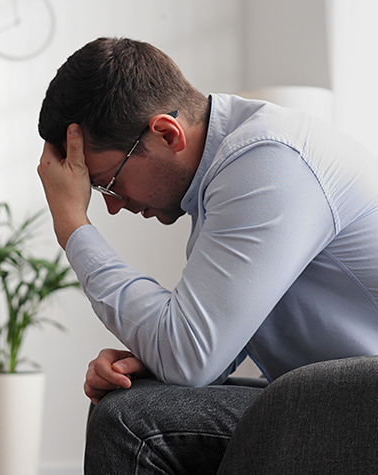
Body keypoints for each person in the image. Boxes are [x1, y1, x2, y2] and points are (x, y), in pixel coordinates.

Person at [37, 37, 378, 474]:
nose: (113, 206)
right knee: (129, 397)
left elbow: (190, 356)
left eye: (108, 183)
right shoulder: (231, 170)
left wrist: (71, 224)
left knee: (131, 421)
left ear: (166, 133)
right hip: (336, 395)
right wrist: (147, 362)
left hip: (363, 403)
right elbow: (210, 349)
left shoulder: (268, 161)